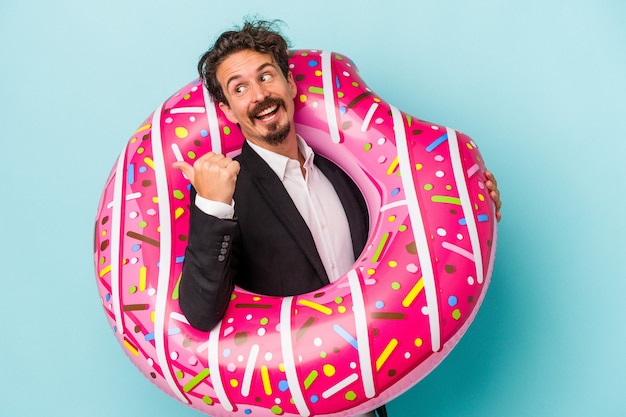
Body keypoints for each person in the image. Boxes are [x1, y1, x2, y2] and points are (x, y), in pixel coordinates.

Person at [173, 19, 502, 417]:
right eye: (239, 88)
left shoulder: (350, 173)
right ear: (227, 109)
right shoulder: (223, 192)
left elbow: (409, 238)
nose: (260, 95)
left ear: (290, 85)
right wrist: (214, 207)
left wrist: (471, 202)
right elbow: (200, 311)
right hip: (289, 401)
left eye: (266, 76)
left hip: (365, 400)